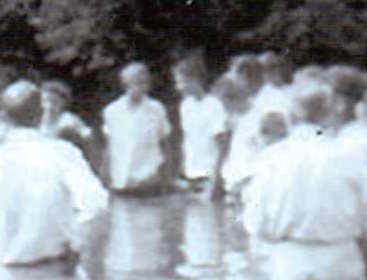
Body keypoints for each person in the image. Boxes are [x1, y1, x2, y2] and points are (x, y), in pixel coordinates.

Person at [0, 81, 108, 280]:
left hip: (9, 278)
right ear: (41, 113)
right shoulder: (63, 153)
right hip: (58, 275)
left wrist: (9, 245)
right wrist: (76, 246)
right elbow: (97, 207)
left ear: (3, 116)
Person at [241, 80, 367, 280]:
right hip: (339, 258)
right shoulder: (349, 153)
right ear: (330, 112)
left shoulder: (271, 158)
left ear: (291, 115)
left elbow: (254, 223)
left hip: (291, 259)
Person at [101, 62, 171, 195]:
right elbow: (109, 146)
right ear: (126, 84)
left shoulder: (157, 109)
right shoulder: (112, 111)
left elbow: (165, 145)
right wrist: (103, 177)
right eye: (139, 83)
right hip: (120, 182)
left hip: (149, 182)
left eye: (146, 83)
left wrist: (167, 179)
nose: (144, 87)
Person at [174, 57, 229, 193]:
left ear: (195, 79)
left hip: (209, 175)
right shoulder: (185, 105)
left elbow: (222, 145)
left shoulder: (214, 105)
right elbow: (187, 139)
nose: (178, 87)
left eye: (181, 82)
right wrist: (181, 171)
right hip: (190, 175)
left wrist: (215, 180)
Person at [38, 80, 94, 158]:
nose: (55, 97)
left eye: (62, 96)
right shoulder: (33, 118)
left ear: (65, 104)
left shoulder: (68, 120)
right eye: (53, 90)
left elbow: (88, 137)